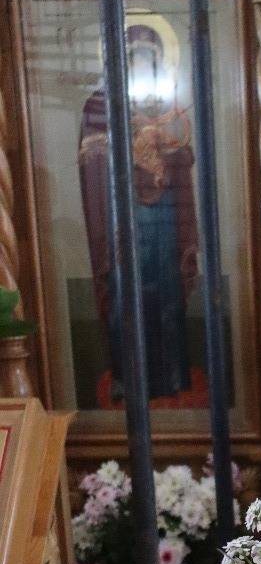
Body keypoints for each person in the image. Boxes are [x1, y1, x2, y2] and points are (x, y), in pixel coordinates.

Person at [78, 20, 199, 405]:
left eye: (149, 57)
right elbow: (93, 160)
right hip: (123, 221)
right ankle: (127, 378)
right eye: (134, 57)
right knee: (125, 296)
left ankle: (172, 376)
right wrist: (131, 146)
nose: (142, 64)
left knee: (166, 294)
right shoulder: (99, 105)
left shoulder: (166, 102)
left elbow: (183, 154)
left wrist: (166, 146)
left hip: (163, 221)